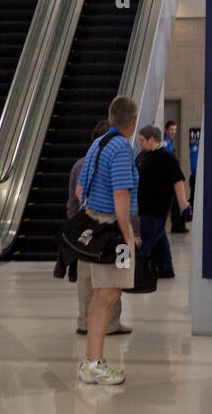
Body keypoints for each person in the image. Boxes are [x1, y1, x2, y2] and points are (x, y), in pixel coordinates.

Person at [76, 96, 141, 386]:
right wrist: (127, 234)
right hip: (112, 232)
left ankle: (92, 360)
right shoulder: (121, 148)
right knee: (106, 295)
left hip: (94, 226)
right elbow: (121, 194)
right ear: (133, 121)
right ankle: (93, 363)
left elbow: (80, 190)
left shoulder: (98, 144)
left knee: (104, 294)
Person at [71, 120, 130, 336]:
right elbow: (122, 196)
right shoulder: (115, 161)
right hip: (105, 227)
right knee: (111, 277)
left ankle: (89, 321)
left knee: (88, 277)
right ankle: (108, 322)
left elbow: (75, 197)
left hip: (85, 229)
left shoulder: (81, 164)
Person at [135, 124, 189, 278]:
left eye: (141, 141)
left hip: (156, 209)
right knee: (159, 239)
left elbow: (178, 181)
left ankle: (132, 272)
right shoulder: (142, 155)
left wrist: (183, 204)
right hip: (143, 208)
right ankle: (166, 269)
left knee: (142, 244)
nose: (139, 144)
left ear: (151, 140)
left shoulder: (167, 158)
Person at [163, 120, 187, 233]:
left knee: (176, 201)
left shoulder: (170, 142)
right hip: (168, 177)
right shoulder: (165, 142)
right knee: (175, 201)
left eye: (175, 130)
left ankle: (177, 224)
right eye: (171, 129)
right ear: (166, 129)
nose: (173, 132)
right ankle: (176, 225)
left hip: (171, 175)